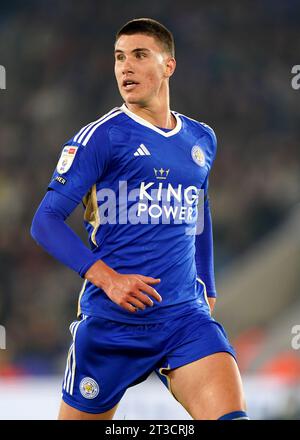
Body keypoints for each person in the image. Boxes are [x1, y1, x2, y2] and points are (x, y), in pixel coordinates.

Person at [31, 18, 248, 420]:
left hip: (184, 318)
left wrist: (209, 284)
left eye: (139, 55)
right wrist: (108, 279)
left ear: (169, 66)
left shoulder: (201, 139)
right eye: (119, 57)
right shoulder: (101, 137)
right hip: (112, 326)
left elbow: (199, 210)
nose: (125, 67)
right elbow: (44, 222)